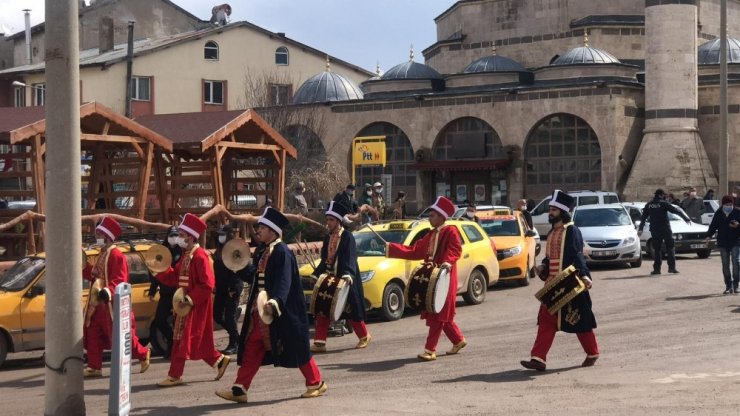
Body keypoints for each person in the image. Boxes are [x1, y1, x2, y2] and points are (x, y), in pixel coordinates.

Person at [216, 207, 327, 403]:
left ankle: (316, 382)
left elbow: (284, 281)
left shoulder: (282, 252)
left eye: (262, 227)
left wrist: (276, 302)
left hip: (282, 310)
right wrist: (239, 264)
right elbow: (256, 276)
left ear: (273, 231)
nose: (258, 230)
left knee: (297, 346)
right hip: (260, 309)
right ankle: (240, 389)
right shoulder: (263, 251)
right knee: (253, 345)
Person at [520, 190, 599, 371]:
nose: (550, 213)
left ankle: (592, 352)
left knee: (579, 320)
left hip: (570, 284)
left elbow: (578, 255)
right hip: (552, 285)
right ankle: (538, 358)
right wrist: (543, 267)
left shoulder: (572, 231)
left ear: (562, 212)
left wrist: (585, 275)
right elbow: (550, 257)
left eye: (554, 210)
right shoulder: (552, 231)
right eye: (550, 209)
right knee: (546, 320)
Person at [386, 196, 467, 361]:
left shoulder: (451, 231)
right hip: (432, 279)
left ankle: (430, 350)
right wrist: (392, 248)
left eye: (432, 215)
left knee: (438, 314)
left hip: (445, 278)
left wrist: (447, 263)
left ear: (441, 217)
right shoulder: (430, 235)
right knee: (442, 314)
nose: (429, 217)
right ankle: (458, 340)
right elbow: (415, 251)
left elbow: (455, 249)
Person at [156, 213, 231, 387]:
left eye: (182, 235)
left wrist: (190, 299)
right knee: (189, 340)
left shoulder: (200, 256)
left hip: (195, 304)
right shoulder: (186, 254)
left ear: (190, 236)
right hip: (185, 304)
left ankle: (175, 375)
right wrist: (159, 270)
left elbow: (207, 284)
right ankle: (218, 361)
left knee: (185, 339)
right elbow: (176, 277)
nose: (179, 238)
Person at [82, 217, 151, 377]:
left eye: (99, 233)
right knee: (93, 332)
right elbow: (96, 275)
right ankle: (94, 366)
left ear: (107, 236)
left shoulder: (116, 255)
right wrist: (85, 268)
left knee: (120, 335)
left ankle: (142, 353)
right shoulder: (103, 253)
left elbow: (119, 279)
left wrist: (108, 291)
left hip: (110, 304)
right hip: (97, 303)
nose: (96, 236)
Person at [309, 201, 371, 353]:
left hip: (346, 279)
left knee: (351, 310)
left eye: (331, 220)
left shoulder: (347, 237)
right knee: (323, 309)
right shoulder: (327, 238)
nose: (328, 223)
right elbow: (325, 259)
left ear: (337, 221)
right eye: (327, 219)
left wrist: (348, 274)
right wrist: (316, 274)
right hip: (330, 279)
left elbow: (350, 257)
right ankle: (319, 342)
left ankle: (364, 336)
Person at [638, 189, 692, 275]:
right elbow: (676, 211)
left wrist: (640, 229)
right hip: (665, 229)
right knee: (670, 247)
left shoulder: (649, 205)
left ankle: (657, 269)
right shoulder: (663, 203)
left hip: (655, 230)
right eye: (664, 195)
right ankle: (671, 268)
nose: (665, 197)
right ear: (661, 195)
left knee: (657, 249)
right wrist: (685, 218)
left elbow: (643, 218)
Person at [148, 226, 181, 359]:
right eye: (171, 235)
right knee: (160, 321)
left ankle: (176, 350)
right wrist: (152, 291)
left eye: (176, 236)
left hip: (178, 293)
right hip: (165, 294)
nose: (173, 238)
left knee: (179, 323)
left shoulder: (182, 251)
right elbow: (157, 272)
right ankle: (171, 341)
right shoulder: (161, 251)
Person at [213, 224, 246, 355]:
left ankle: (234, 343)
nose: (221, 237)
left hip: (233, 286)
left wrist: (233, 288)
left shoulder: (234, 249)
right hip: (221, 286)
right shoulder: (219, 248)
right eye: (219, 234)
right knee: (217, 315)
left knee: (229, 316)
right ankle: (237, 338)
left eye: (223, 234)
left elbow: (236, 270)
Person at [705, 196, 740, 294]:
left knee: (736, 262)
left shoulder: (737, 212)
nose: (729, 206)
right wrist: (708, 236)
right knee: (725, 264)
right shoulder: (719, 213)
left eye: (731, 205)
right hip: (723, 242)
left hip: (735, 241)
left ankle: (736, 285)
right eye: (727, 205)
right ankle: (728, 286)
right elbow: (713, 226)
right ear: (723, 205)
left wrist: (738, 226)